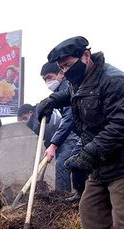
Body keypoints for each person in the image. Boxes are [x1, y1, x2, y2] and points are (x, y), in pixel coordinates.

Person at [36, 36, 124, 229]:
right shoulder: (81, 79)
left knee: (122, 225)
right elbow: (76, 94)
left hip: (120, 165)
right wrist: (54, 100)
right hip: (100, 167)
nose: (65, 71)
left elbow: (119, 124)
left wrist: (88, 153)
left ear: (86, 55)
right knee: (91, 216)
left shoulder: (114, 81)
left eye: (67, 65)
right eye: (61, 67)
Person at [39, 61, 87, 196]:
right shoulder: (60, 91)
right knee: (70, 162)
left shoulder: (67, 87)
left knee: (65, 163)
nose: (47, 81)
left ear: (61, 74)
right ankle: (76, 196)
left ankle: (63, 198)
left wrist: (54, 145)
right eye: (44, 79)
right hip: (80, 133)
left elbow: (69, 117)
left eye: (49, 77)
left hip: (80, 134)